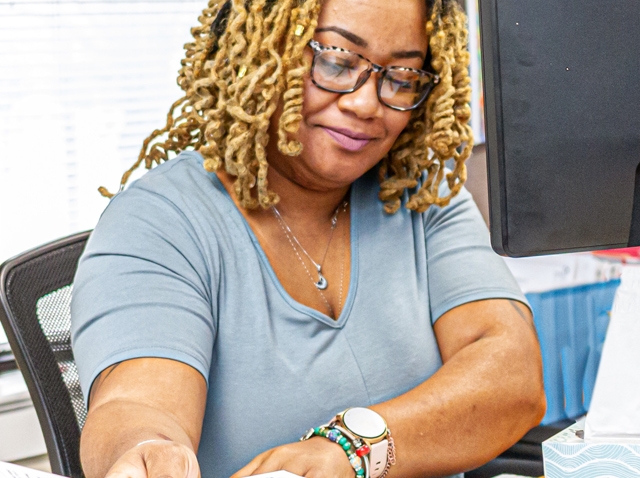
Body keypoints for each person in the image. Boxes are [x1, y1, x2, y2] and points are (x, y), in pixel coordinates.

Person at [70, 0, 546, 477]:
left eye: (401, 78)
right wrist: (146, 450)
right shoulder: (160, 221)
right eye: (337, 62)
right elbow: (139, 406)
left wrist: (353, 451)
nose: (366, 103)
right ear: (260, 51)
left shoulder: (418, 192)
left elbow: (513, 377)